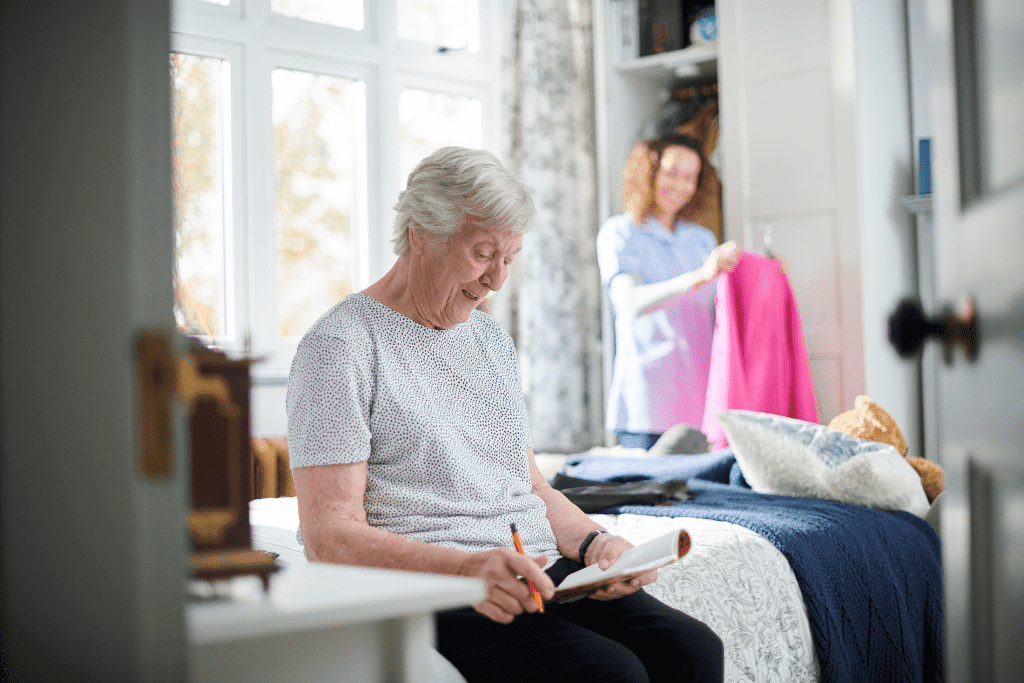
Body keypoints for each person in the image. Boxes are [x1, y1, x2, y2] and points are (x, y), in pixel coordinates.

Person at [286, 146, 724, 683]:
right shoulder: (340, 346)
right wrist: (470, 568)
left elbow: (528, 485)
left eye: (509, 258)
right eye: (481, 253)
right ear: (420, 234)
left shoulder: (489, 338)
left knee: (693, 649)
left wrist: (595, 545)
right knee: (611, 674)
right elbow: (329, 536)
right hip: (440, 583)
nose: (496, 280)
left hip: (535, 570)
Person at [597, 134, 743, 450]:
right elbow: (630, 303)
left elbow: (725, 307)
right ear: (648, 173)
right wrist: (700, 276)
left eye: (690, 178)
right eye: (671, 173)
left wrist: (766, 274)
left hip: (703, 399)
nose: (680, 185)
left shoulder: (702, 240)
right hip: (647, 402)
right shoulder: (619, 233)